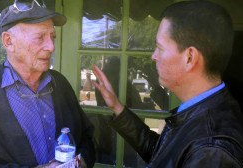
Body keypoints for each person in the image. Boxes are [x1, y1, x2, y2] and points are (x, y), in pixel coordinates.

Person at [92, 1, 243, 167]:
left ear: (190, 58)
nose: (154, 56)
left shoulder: (211, 149)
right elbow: (162, 153)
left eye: (160, 48)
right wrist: (117, 107)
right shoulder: (205, 109)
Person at [0, 1, 95, 168]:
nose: (51, 46)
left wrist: (83, 161)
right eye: (40, 37)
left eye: (52, 37)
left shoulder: (60, 83)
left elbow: (86, 137)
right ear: (8, 41)